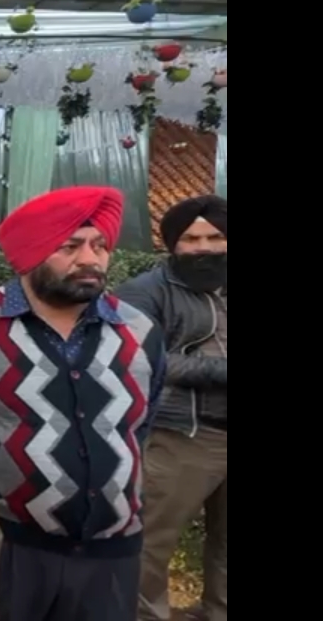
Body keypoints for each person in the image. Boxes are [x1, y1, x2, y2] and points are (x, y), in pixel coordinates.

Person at [0, 186, 166, 621]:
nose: (90, 259)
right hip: (9, 552)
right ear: (32, 252)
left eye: (100, 245)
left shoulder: (140, 330)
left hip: (112, 560)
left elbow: (139, 428)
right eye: (70, 246)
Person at [116, 195, 227, 621]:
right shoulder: (143, 292)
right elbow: (142, 359)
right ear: (172, 244)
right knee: (150, 544)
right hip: (179, 436)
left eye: (215, 237)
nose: (204, 247)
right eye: (191, 239)